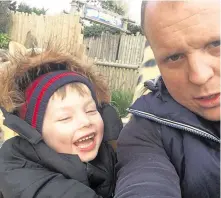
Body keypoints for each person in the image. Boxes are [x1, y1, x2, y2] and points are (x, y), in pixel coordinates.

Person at [115, 1, 220, 198]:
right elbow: (144, 182)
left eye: (216, 44)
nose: (199, 75)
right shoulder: (146, 131)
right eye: (174, 57)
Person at [0, 44, 122, 198]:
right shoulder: (17, 169)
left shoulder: (108, 153)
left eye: (91, 110)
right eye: (65, 117)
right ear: (34, 132)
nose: (85, 121)